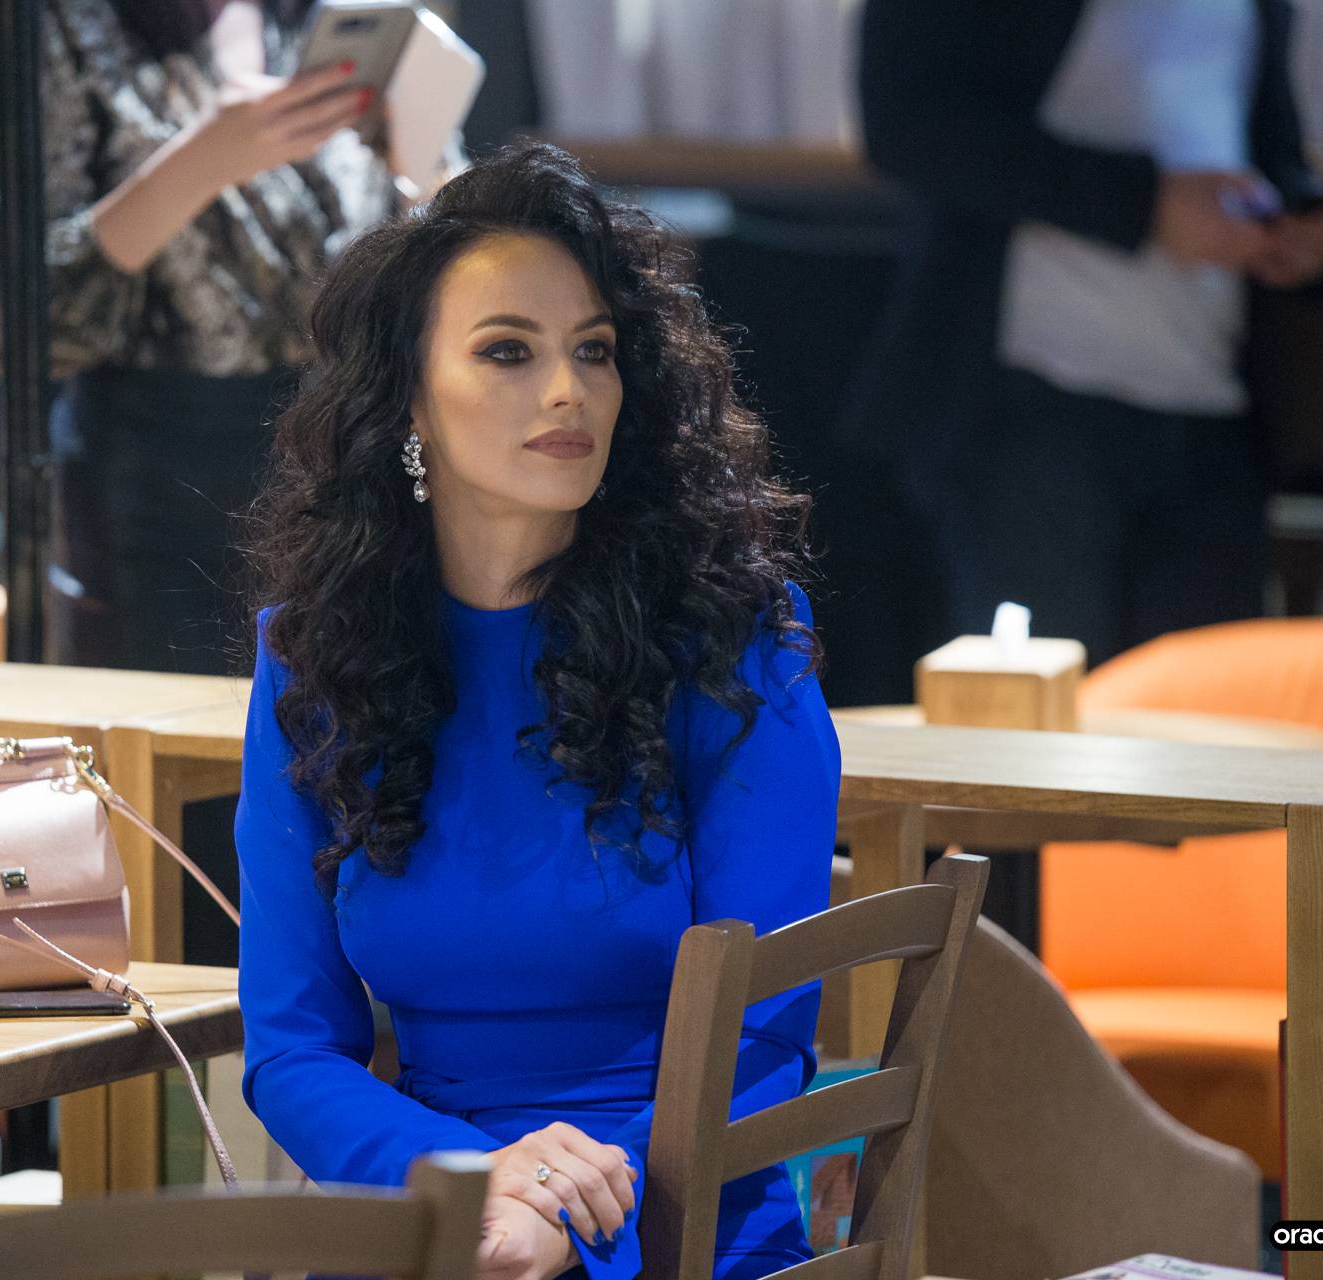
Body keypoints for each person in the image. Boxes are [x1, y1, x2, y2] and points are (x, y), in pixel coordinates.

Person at [234, 144, 842, 1280]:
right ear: (407, 397)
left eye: (594, 350)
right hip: (443, 1209)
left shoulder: (736, 638)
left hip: (685, 1216)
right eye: (508, 350)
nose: (568, 389)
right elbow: (290, 1046)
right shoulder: (311, 657)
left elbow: (763, 1034)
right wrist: (475, 1182)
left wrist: (563, 1214)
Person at [845, 0, 1323, 666]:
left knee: (1205, 717)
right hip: (1024, 412)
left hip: (1211, 415)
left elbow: (1261, 154)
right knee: (1033, 720)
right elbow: (904, 120)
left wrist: (1317, 236)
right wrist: (1144, 206)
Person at [0, 0, 404, 673]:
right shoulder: (56, 24)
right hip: (156, 486)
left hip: (345, 472)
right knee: (165, 726)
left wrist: (421, 162)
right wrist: (202, 160)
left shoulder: (314, 14)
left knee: (339, 724)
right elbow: (4, 316)